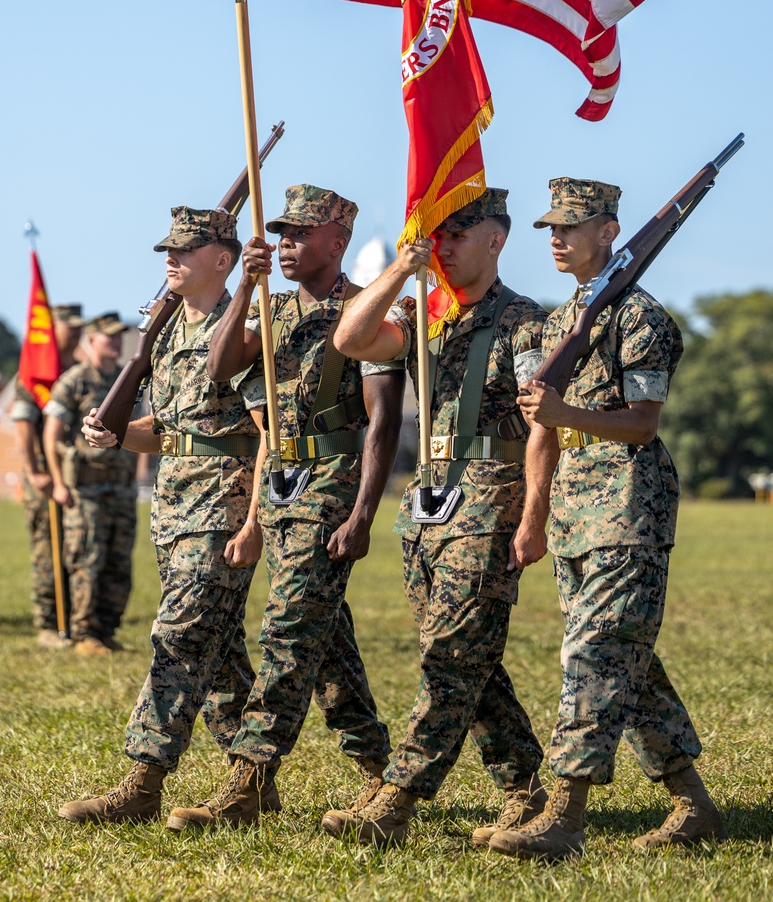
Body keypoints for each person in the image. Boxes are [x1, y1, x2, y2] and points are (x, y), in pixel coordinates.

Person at [489, 177, 728, 859]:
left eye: (572, 226)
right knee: (627, 660)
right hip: (573, 513)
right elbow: (542, 430)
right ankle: (695, 806)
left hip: (629, 506)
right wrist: (533, 516)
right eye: (552, 229)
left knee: (592, 654)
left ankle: (564, 816)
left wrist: (569, 417)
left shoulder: (643, 320)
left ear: (610, 232)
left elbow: (643, 426)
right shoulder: (553, 325)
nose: (558, 239)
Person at [164, 184, 404, 832]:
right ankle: (384, 774)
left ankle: (246, 784)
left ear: (338, 240)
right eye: (283, 233)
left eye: (302, 233)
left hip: (331, 481)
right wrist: (245, 289)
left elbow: (383, 423)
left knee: (289, 631)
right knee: (326, 646)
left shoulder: (365, 312)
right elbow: (221, 368)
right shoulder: (269, 309)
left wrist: (361, 516)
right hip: (280, 481)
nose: (288, 244)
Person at [320, 188, 548, 848]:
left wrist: (532, 516)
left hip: (491, 503)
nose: (443, 244)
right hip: (428, 508)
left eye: (456, 234)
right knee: (465, 657)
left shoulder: (527, 324)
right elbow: (351, 339)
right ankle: (523, 784)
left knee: (451, 658)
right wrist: (399, 271)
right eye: (436, 233)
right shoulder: (428, 318)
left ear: (495, 240)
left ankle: (395, 800)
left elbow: (543, 428)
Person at [59, 206, 264, 825]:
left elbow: (267, 433)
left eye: (184, 250)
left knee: (177, 638)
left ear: (223, 260)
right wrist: (116, 434)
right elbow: (171, 433)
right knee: (220, 651)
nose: (170, 260)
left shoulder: (246, 328)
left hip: (223, 507)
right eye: (167, 251)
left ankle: (142, 783)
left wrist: (255, 521)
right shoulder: (170, 333)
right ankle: (251, 784)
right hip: (173, 507)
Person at [43, 313, 136, 655]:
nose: (114, 342)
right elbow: (51, 433)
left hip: (121, 488)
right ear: (91, 341)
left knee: (119, 561)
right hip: (86, 489)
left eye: (117, 336)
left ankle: (106, 629)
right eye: (107, 336)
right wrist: (58, 482)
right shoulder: (75, 381)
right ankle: (83, 633)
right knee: (87, 558)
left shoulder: (128, 379)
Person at [11, 303, 83, 648]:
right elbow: (23, 425)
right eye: (69, 326)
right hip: (45, 478)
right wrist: (35, 471)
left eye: (79, 326)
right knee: (47, 549)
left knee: (76, 548)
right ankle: (47, 623)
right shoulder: (34, 373)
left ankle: (72, 617)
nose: (76, 332)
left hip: (74, 476)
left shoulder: (79, 369)